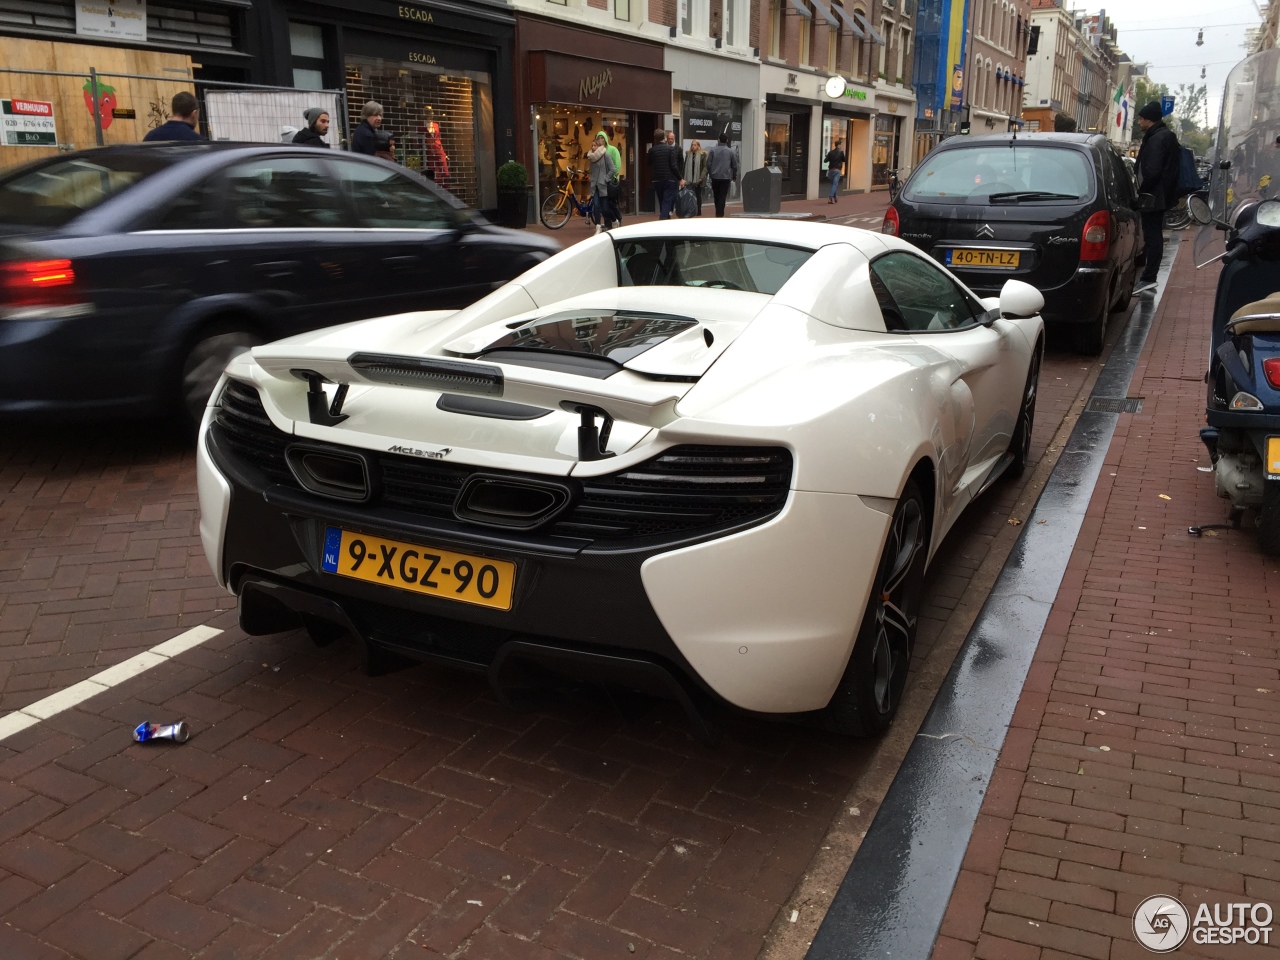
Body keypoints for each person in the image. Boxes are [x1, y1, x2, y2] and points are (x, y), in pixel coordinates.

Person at [1133, 101, 1180, 295]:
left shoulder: (1155, 139)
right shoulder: (1166, 136)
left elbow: (1151, 171)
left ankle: (1148, 278)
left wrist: (1141, 192)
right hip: (1162, 194)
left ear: (1148, 120)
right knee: (1155, 235)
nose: (1138, 122)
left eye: (1141, 119)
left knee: (1152, 236)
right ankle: (1149, 276)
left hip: (1153, 196)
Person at [648, 129, 683, 220]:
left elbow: (648, 163)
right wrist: (680, 178)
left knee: (661, 200)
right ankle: (663, 219)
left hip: (657, 179)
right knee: (667, 201)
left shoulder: (652, 150)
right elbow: (673, 165)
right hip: (669, 179)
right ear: (664, 137)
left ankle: (666, 219)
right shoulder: (670, 149)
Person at [587, 132, 617, 233]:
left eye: (595, 145)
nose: (593, 147)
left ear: (599, 146)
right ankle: (598, 226)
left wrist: (606, 178)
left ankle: (614, 220)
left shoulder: (606, 156)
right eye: (592, 145)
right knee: (596, 206)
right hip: (594, 185)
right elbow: (592, 171)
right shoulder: (591, 158)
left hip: (603, 185)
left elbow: (613, 169)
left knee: (605, 209)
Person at [707, 134, 740, 218]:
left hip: (715, 177)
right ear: (727, 141)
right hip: (725, 177)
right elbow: (734, 165)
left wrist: (711, 174)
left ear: (718, 140)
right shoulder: (730, 151)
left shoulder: (713, 150)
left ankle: (718, 211)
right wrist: (734, 175)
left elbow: (708, 164)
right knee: (722, 196)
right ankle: (720, 213)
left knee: (716, 195)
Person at [601, 129, 623, 227]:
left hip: (611, 181)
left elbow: (617, 164)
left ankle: (618, 218)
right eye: (598, 138)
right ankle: (608, 223)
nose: (601, 140)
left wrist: (613, 177)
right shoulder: (598, 151)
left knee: (611, 203)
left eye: (602, 138)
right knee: (605, 204)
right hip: (602, 182)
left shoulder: (613, 150)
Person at [684, 140, 708, 216]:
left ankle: (699, 210)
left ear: (698, 146)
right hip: (689, 178)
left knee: (698, 195)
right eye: (692, 145)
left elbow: (705, 167)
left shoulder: (702, 154)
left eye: (694, 145)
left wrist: (701, 177)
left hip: (698, 179)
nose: (693, 146)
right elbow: (684, 166)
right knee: (689, 194)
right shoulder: (688, 154)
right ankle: (690, 209)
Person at [825, 138, 847, 204]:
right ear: (838, 145)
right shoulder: (841, 152)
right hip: (837, 170)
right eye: (840, 145)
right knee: (835, 184)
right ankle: (830, 197)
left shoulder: (830, 152)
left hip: (831, 170)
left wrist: (829, 157)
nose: (840, 146)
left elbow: (825, 161)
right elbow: (844, 160)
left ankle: (835, 197)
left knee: (833, 185)